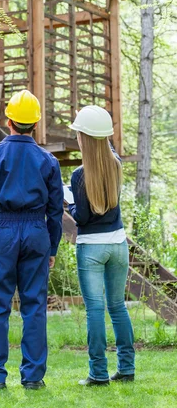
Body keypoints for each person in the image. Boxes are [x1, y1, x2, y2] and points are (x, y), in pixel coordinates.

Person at [0, 90, 64, 390]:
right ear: (35, 124)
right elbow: (56, 210)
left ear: (8, 121)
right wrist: (52, 245)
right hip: (36, 232)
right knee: (34, 306)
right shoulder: (48, 161)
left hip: (1, 232)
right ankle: (33, 377)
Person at [66, 106, 135, 386]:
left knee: (95, 310)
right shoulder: (116, 163)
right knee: (118, 307)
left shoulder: (79, 176)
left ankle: (98, 373)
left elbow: (82, 217)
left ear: (84, 137)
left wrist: (69, 202)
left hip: (91, 249)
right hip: (118, 244)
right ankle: (127, 368)